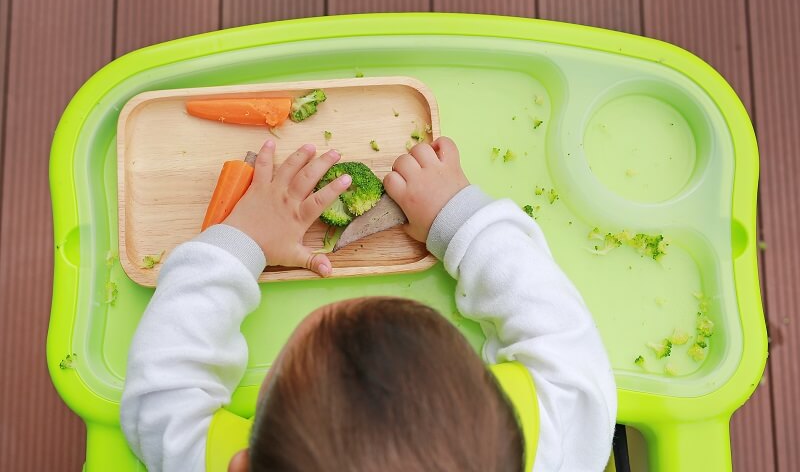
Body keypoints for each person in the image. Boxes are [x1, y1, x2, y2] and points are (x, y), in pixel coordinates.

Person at [121, 137, 616, 472]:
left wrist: (241, 241)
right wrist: (455, 215)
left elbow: (162, 393)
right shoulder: (554, 445)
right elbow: (564, 337)